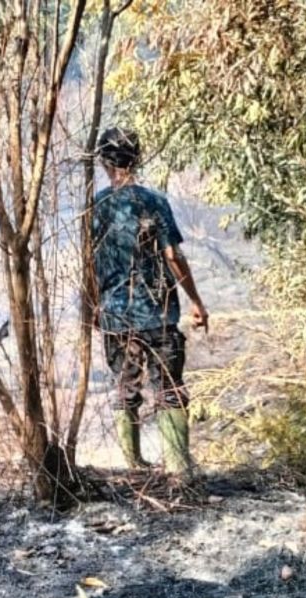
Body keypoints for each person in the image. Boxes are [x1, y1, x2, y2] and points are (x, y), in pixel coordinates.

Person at [92, 127, 209, 476]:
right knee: (169, 387)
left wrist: (93, 308)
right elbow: (172, 255)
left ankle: (133, 466)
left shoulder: (95, 207)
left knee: (126, 386)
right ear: (138, 157)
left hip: (115, 314)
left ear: (102, 161)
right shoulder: (153, 202)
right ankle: (178, 469)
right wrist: (196, 301)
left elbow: (88, 261)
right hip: (158, 313)